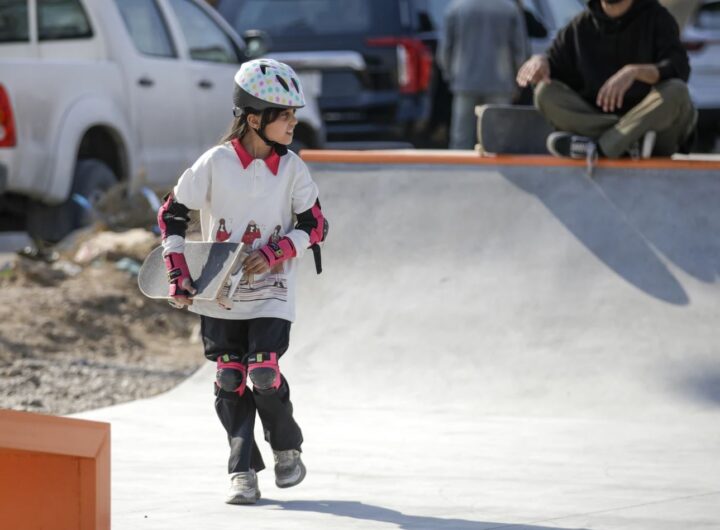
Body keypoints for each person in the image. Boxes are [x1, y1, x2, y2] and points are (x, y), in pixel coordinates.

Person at [157, 58, 328, 505]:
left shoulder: (292, 168)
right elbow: (172, 213)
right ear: (255, 118)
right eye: (285, 114)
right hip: (220, 292)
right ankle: (243, 469)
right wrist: (178, 270)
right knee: (231, 377)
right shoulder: (214, 163)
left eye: (294, 114)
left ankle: (286, 445)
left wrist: (277, 251)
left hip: (272, 290)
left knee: (265, 374)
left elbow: (315, 224)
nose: (294, 122)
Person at [516, 0, 696, 162]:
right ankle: (623, 144)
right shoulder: (580, 25)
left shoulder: (657, 18)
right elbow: (554, 66)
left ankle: (601, 149)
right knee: (545, 93)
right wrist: (540, 61)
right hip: (603, 122)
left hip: (652, 132)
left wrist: (635, 72)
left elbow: (678, 68)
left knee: (677, 91)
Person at [437, 0, 528, 149]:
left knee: (461, 137)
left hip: (464, 81)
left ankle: (460, 171)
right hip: (500, 83)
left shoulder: (456, 7)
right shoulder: (509, 8)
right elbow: (519, 49)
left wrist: (450, 75)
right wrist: (518, 81)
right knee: (499, 138)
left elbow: (445, 49)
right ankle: (498, 172)